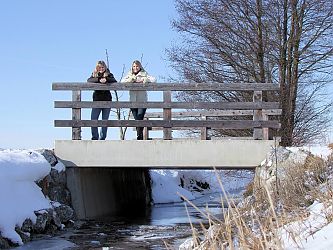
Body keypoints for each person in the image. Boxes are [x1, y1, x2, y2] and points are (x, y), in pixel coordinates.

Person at [121, 60, 156, 140]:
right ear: (132, 67)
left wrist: (145, 80)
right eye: (134, 66)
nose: (135, 68)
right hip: (132, 101)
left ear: (139, 66)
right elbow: (122, 81)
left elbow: (154, 79)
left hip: (142, 100)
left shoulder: (144, 73)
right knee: (137, 119)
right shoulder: (130, 74)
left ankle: (139, 136)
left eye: (137, 66)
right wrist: (131, 79)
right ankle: (139, 135)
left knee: (140, 117)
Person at [87, 60, 117, 140]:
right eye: (99, 67)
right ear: (97, 68)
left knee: (104, 121)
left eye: (102, 67)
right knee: (93, 119)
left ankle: (102, 137)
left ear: (105, 67)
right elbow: (89, 80)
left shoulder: (109, 74)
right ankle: (95, 137)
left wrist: (106, 79)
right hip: (97, 100)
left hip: (107, 100)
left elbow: (114, 81)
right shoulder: (94, 75)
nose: (101, 68)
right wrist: (99, 80)